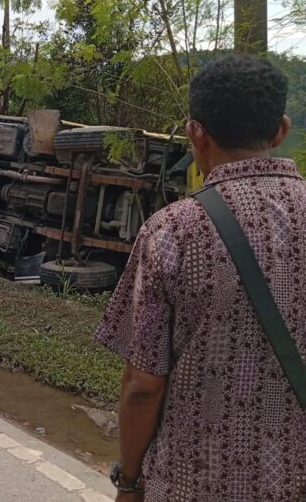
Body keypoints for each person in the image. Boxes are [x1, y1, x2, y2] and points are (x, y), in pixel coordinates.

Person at [94, 55, 305, 502]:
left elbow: (142, 385)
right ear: (281, 130)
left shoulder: (174, 230)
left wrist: (129, 481)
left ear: (195, 133)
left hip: (195, 482)